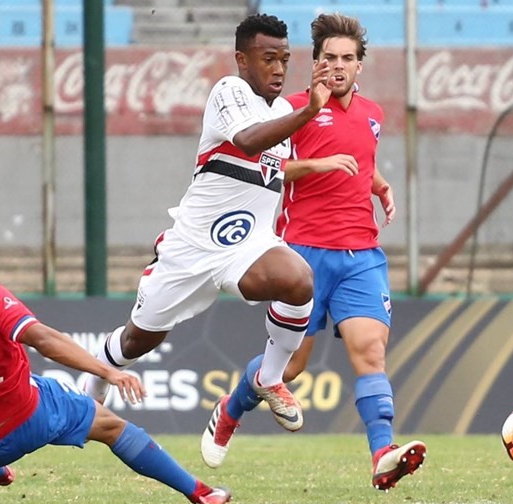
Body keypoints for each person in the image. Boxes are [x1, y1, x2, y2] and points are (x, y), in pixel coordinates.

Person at [84, 14, 343, 435]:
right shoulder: (230, 91)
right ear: (242, 59)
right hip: (193, 247)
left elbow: (273, 170)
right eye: (267, 58)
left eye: (284, 59)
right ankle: (97, 382)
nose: (278, 69)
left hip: (247, 245)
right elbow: (248, 141)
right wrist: (310, 112)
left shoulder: (282, 111)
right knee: (137, 341)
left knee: (298, 280)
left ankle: (270, 378)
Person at [200, 13, 427, 491]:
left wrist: (380, 187)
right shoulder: (291, 109)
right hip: (303, 255)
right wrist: (319, 163)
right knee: (292, 365)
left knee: (370, 350)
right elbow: (272, 169)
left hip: (361, 254)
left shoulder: (373, 114)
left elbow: (361, 161)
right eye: (329, 58)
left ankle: (382, 453)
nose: (338, 66)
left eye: (347, 59)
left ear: (360, 66)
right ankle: (230, 409)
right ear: (316, 63)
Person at [0, 216, 231, 504]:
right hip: (37, 415)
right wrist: (108, 371)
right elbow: (44, 339)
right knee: (114, 428)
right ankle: (201, 492)